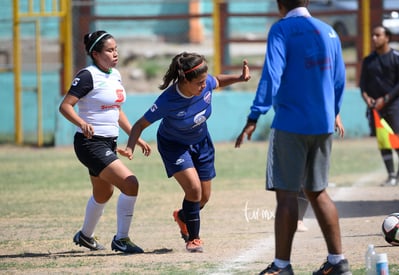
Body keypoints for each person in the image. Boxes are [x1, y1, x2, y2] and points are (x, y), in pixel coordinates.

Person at [234, 0, 351, 274]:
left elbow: (271, 75)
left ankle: (281, 266)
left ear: (279, 4)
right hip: (322, 124)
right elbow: (340, 78)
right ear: (308, 1)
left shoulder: (281, 30)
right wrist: (333, 111)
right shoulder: (328, 31)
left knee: (287, 194)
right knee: (318, 190)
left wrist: (254, 116)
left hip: (291, 124)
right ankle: (338, 262)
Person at [118, 52, 250, 253]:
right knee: (194, 190)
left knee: (203, 197)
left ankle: (182, 216)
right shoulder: (167, 100)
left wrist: (239, 78)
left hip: (201, 142)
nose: (203, 86)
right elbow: (139, 125)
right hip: (174, 146)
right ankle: (194, 239)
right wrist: (129, 147)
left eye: (205, 81)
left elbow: (217, 81)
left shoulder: (205, 84)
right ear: (184, 80)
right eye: (199, 83)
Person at [59, 30, 152, 254]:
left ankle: (85, 236)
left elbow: (117, 111)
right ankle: (122, 239)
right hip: (90, 143)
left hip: (108, 142)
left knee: (103, 194)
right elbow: (65, 106)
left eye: (116, 49)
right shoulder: (87, 75)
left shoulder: (115, 75)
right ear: (96, 53)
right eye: (110, 50)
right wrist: (82, 123)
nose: (115, 53)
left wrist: (134, 137)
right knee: (130, 183)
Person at [359, 25, 399, 187]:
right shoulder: (368, 60)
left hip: (393, 105)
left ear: (387, 37)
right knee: (383, 141)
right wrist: (367, 99)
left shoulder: (397, 57)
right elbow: (363, 86)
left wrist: (386, 98)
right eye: (373, 35)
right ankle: (391, 176)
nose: (374, 38)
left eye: (378, 35)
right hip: (375, 109)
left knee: (396, 139)